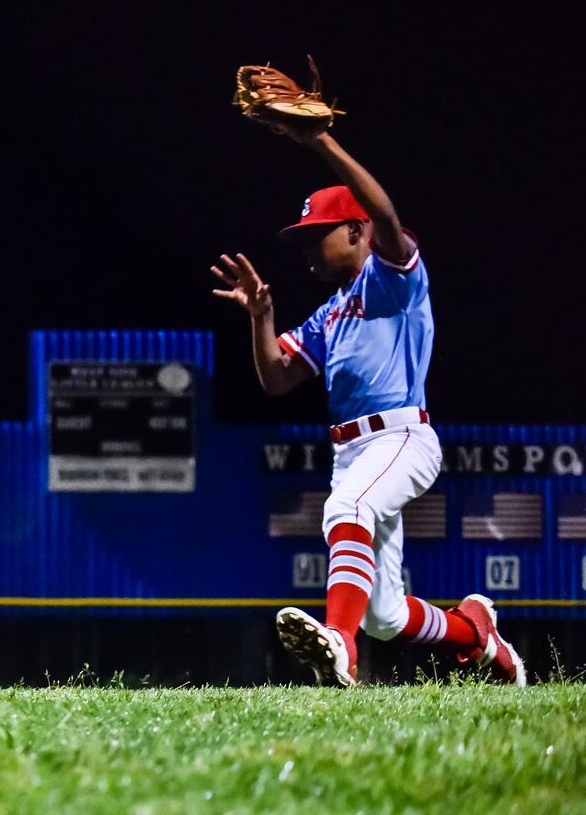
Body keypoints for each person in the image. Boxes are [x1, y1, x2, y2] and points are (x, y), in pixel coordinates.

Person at [211, 125, 524, 687]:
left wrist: (321, 144)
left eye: (319, 235)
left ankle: (340, 645)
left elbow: (385, 213)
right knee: (385, 615)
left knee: (347, 510)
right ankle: (477, 634)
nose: (308, 248)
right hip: (353, 450)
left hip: (401, 437)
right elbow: (278, 380)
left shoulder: (390, 279)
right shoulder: (330, 313)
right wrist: (261, 318)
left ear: (357, 232)